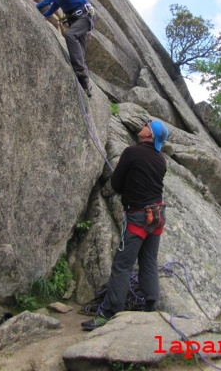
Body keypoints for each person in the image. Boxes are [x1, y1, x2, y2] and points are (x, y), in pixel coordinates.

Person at [81, 119, 169, 331]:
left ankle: (108, 313)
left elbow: (116, 184)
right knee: (148, 261)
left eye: (147, 125)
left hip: (138, 216)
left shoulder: (131, 152)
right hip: (157, 215)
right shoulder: (161, 159)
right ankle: (150, 307)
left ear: (149, 134)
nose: (143, 125)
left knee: (122, 265)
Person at [31, 0, 95, 97]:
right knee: (80, 52)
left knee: (70, 36)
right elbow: (55, 5)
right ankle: (86, 85)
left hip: (84, 15)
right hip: (76, 19)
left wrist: (38, 6)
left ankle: (80, 71)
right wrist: (44, 15)